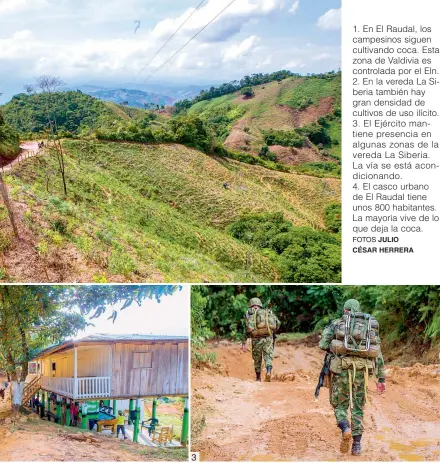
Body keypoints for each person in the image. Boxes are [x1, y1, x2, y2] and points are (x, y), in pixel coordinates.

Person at [319, 299, 386, 456]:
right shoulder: (370, 327)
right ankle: (356, 445)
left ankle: (345, 428)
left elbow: (323, 344)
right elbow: (378, 354)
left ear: (345, 310)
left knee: (339, 405)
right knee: (357, 407)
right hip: (362, 373)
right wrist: (381, 379)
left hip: (341, 370)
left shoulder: (337, 323)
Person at [241, 297, 280, 382]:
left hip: (256, 339)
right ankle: (269, 371)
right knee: (268, 356)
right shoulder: (267, 312)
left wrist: (244, 343)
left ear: (250, 305)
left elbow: (246, 329)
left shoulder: (249, 313)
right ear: (260, 304)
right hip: (268, 338)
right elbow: (277, 323)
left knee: (257, 358)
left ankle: (258, 378)